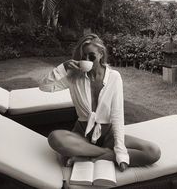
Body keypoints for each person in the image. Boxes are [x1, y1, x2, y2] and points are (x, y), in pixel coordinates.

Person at [39, 33, 161, 171]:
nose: (86, 59)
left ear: (101, 54)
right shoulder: (73, 77)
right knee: (54, 138)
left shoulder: (114, 77)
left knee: (153, 151)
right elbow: (44, 86)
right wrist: (62, 68)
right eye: (82, 57)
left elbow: (117, 116)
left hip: (108, 136)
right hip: (82, 135)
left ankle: (87, 156)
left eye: (91, 56)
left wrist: (120, 151)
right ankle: (104, 154)